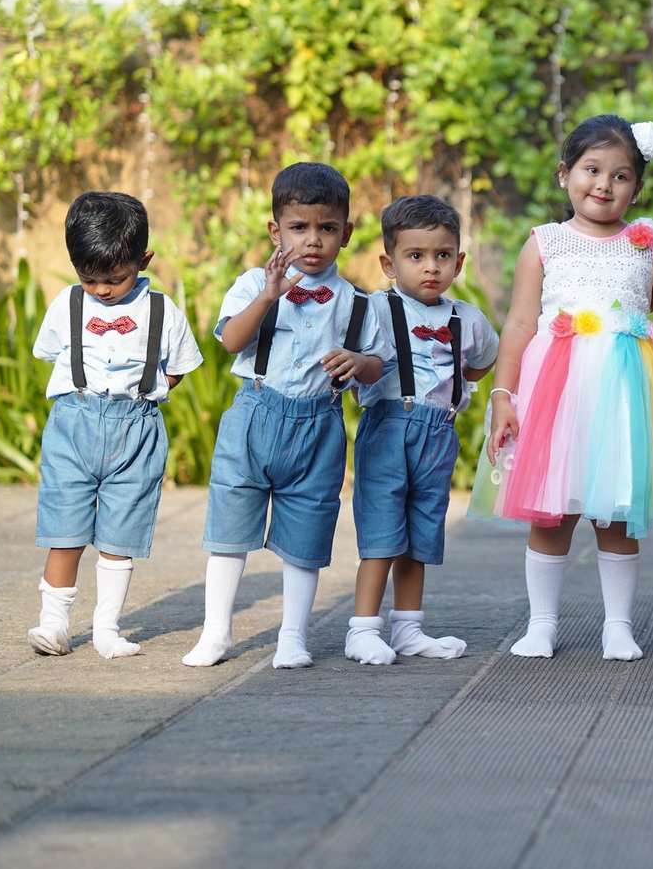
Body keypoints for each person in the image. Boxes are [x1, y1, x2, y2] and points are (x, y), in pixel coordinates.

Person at [468, 116, 653, 661]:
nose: (604, 184)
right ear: (564, 174)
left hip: (625, 398)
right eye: (591, 170)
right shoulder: (545, 244)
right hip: (557, 396)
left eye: (621, 176)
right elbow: (520, 324)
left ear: (637, 188)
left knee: (618, 512)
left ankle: (618, 626)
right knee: (551, 512)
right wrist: (503, 396)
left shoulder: (648, 244)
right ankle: (542, 624)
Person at [183, 162, 389, 669]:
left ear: (346, 233)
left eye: (327, 228)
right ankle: (216, 632)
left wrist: (358, 362)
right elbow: (231, 340)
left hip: (319, 425)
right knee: (230, 526)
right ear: (276, 231)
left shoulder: (358, 303)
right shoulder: (255, 283)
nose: (313, 240)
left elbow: (377, 365)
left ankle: (292, 636)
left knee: (307, 531)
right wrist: (267, 296)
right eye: (299, 227)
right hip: (254, 416)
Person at [28, 191, 203, 658]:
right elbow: (50, 352)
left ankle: (106, 628)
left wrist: (151, 388)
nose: (102, 289)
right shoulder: (67, 305)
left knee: (119, 535)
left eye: (115, 279)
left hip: (136, 428)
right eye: (89, 279)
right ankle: (53, 623)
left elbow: (180, 366)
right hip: (75, 424)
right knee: (65, 528)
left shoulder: (162, 311)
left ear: (143, 261)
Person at [346, 194, 498, 665]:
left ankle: (408, 629)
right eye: (415, 256)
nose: (431, 267)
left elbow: (483, 361)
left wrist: (457, 383)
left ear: (459, 262)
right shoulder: (375, 309)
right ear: (389, 264)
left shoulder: (467, 318)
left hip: (439, 433)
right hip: (389, 427)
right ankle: (362, 630)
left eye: (442, 255)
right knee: (382, 528)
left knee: (421, 530)